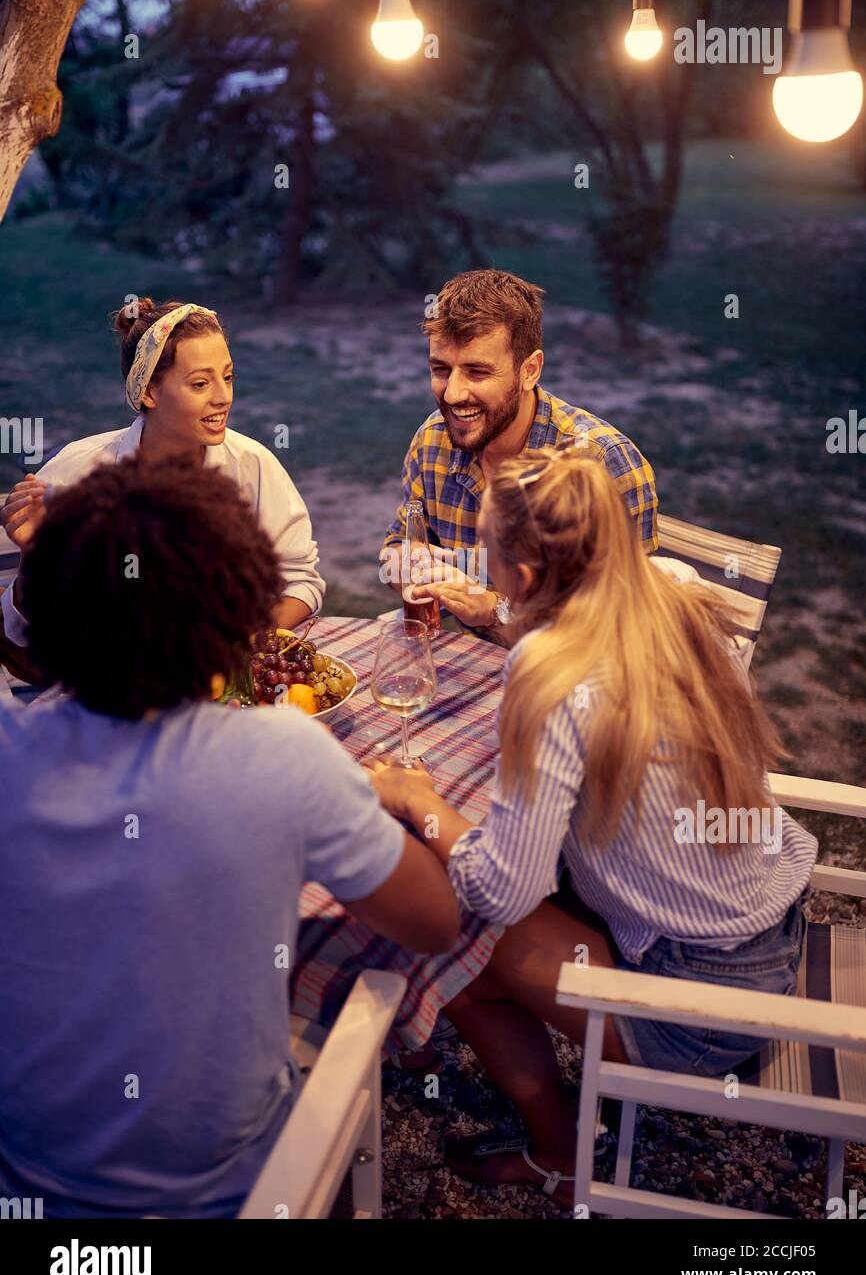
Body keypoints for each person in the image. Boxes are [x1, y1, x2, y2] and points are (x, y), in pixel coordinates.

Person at [0, 456, 460, 1219]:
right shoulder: (282, 755)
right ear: (234, 614)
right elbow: (435, 922)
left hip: (28, 1182)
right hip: (230, 1192)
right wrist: (415, 803)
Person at [367, 447, 817, 1206]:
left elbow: (501, 891)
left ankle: (558, 1153)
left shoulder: (552, 671)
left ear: (528, 576)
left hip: (699, 1009)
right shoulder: (670, 592)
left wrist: (420, 802)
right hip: (774, 929)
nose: (482, 567)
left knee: (456, 928)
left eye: (490, 553)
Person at [0, 298, 324, 667]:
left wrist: (236, 644)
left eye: (228, 376)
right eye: (200, 383)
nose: (223, 397)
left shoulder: (253, 465)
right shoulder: (75, 476)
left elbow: (301, 582)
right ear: (149, 392)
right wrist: (35, 556)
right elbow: (23, 642)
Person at [380, 269, 658, 639]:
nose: (452, 395)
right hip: (466, 665)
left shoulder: (601, 462)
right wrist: (410, 566)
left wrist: (495, 608)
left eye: (477, 372)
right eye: (441, 370)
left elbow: (628, 623)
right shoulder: (433, 441)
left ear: (530, 371)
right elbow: (396, 548)